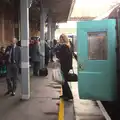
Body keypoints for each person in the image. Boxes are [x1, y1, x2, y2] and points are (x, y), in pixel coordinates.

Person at [54, 34, 73, 101]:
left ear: (64, 39)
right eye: (60, 38)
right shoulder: (67, 45)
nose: (60, 39)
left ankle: (69, 96)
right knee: (63, 81)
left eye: (61, 38)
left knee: (64, 81)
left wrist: (58, 55)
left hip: (65, 66)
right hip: (65, 65)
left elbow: (63, 56)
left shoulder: (64, 46)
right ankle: (65, 95)